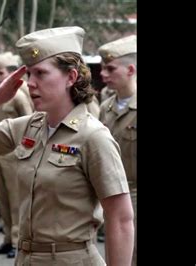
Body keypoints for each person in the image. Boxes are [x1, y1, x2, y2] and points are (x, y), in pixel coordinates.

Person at [0, 26, 134, 265]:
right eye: (29, 74)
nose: (30, 83)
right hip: (27, 258)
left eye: (40, 73)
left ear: (71, 77)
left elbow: (120, 219)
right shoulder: (30, 126)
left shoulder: (93, 137)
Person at [0, 52, 34, 259]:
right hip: (0, 153)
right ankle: (7, 238)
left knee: (16, 201)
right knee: (4, 200)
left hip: (15, 154)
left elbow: (30, 123)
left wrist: (25, 152)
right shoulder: (1, 94)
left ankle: (17, 241)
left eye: (1, 73)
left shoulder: (20, 96)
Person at [98, 34, 137, 265]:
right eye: (103, 68)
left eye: (110, 69)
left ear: (130, 70)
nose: (103, 74)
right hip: (113, 195)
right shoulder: (106, 108)